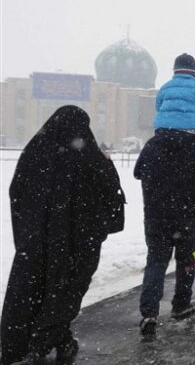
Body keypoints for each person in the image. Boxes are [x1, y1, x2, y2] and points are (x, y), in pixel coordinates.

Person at [1, 106, 125, 365]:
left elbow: (17, 193)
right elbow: (113, 200)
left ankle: (26, 342)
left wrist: (27, 231)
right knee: (65, 291)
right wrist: (108, 165)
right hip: (77, 243)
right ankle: (45, 339)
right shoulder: (90, 158)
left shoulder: (34, 153)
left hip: (36, 242)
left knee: (32, 290)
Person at [134, 128, 195, 339]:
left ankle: (149, 314)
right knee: (185, 261)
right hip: (188, 215)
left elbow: (138, 172)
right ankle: (181, 304)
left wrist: (162, 176)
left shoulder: (152, 144)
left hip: (156, 214)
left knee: (156, 262)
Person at [153, 53, 195, 136]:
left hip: (164, 130)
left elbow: (158, 107)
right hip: (191, 131)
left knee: (152, 146)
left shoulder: (164, 88)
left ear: (175, 71)